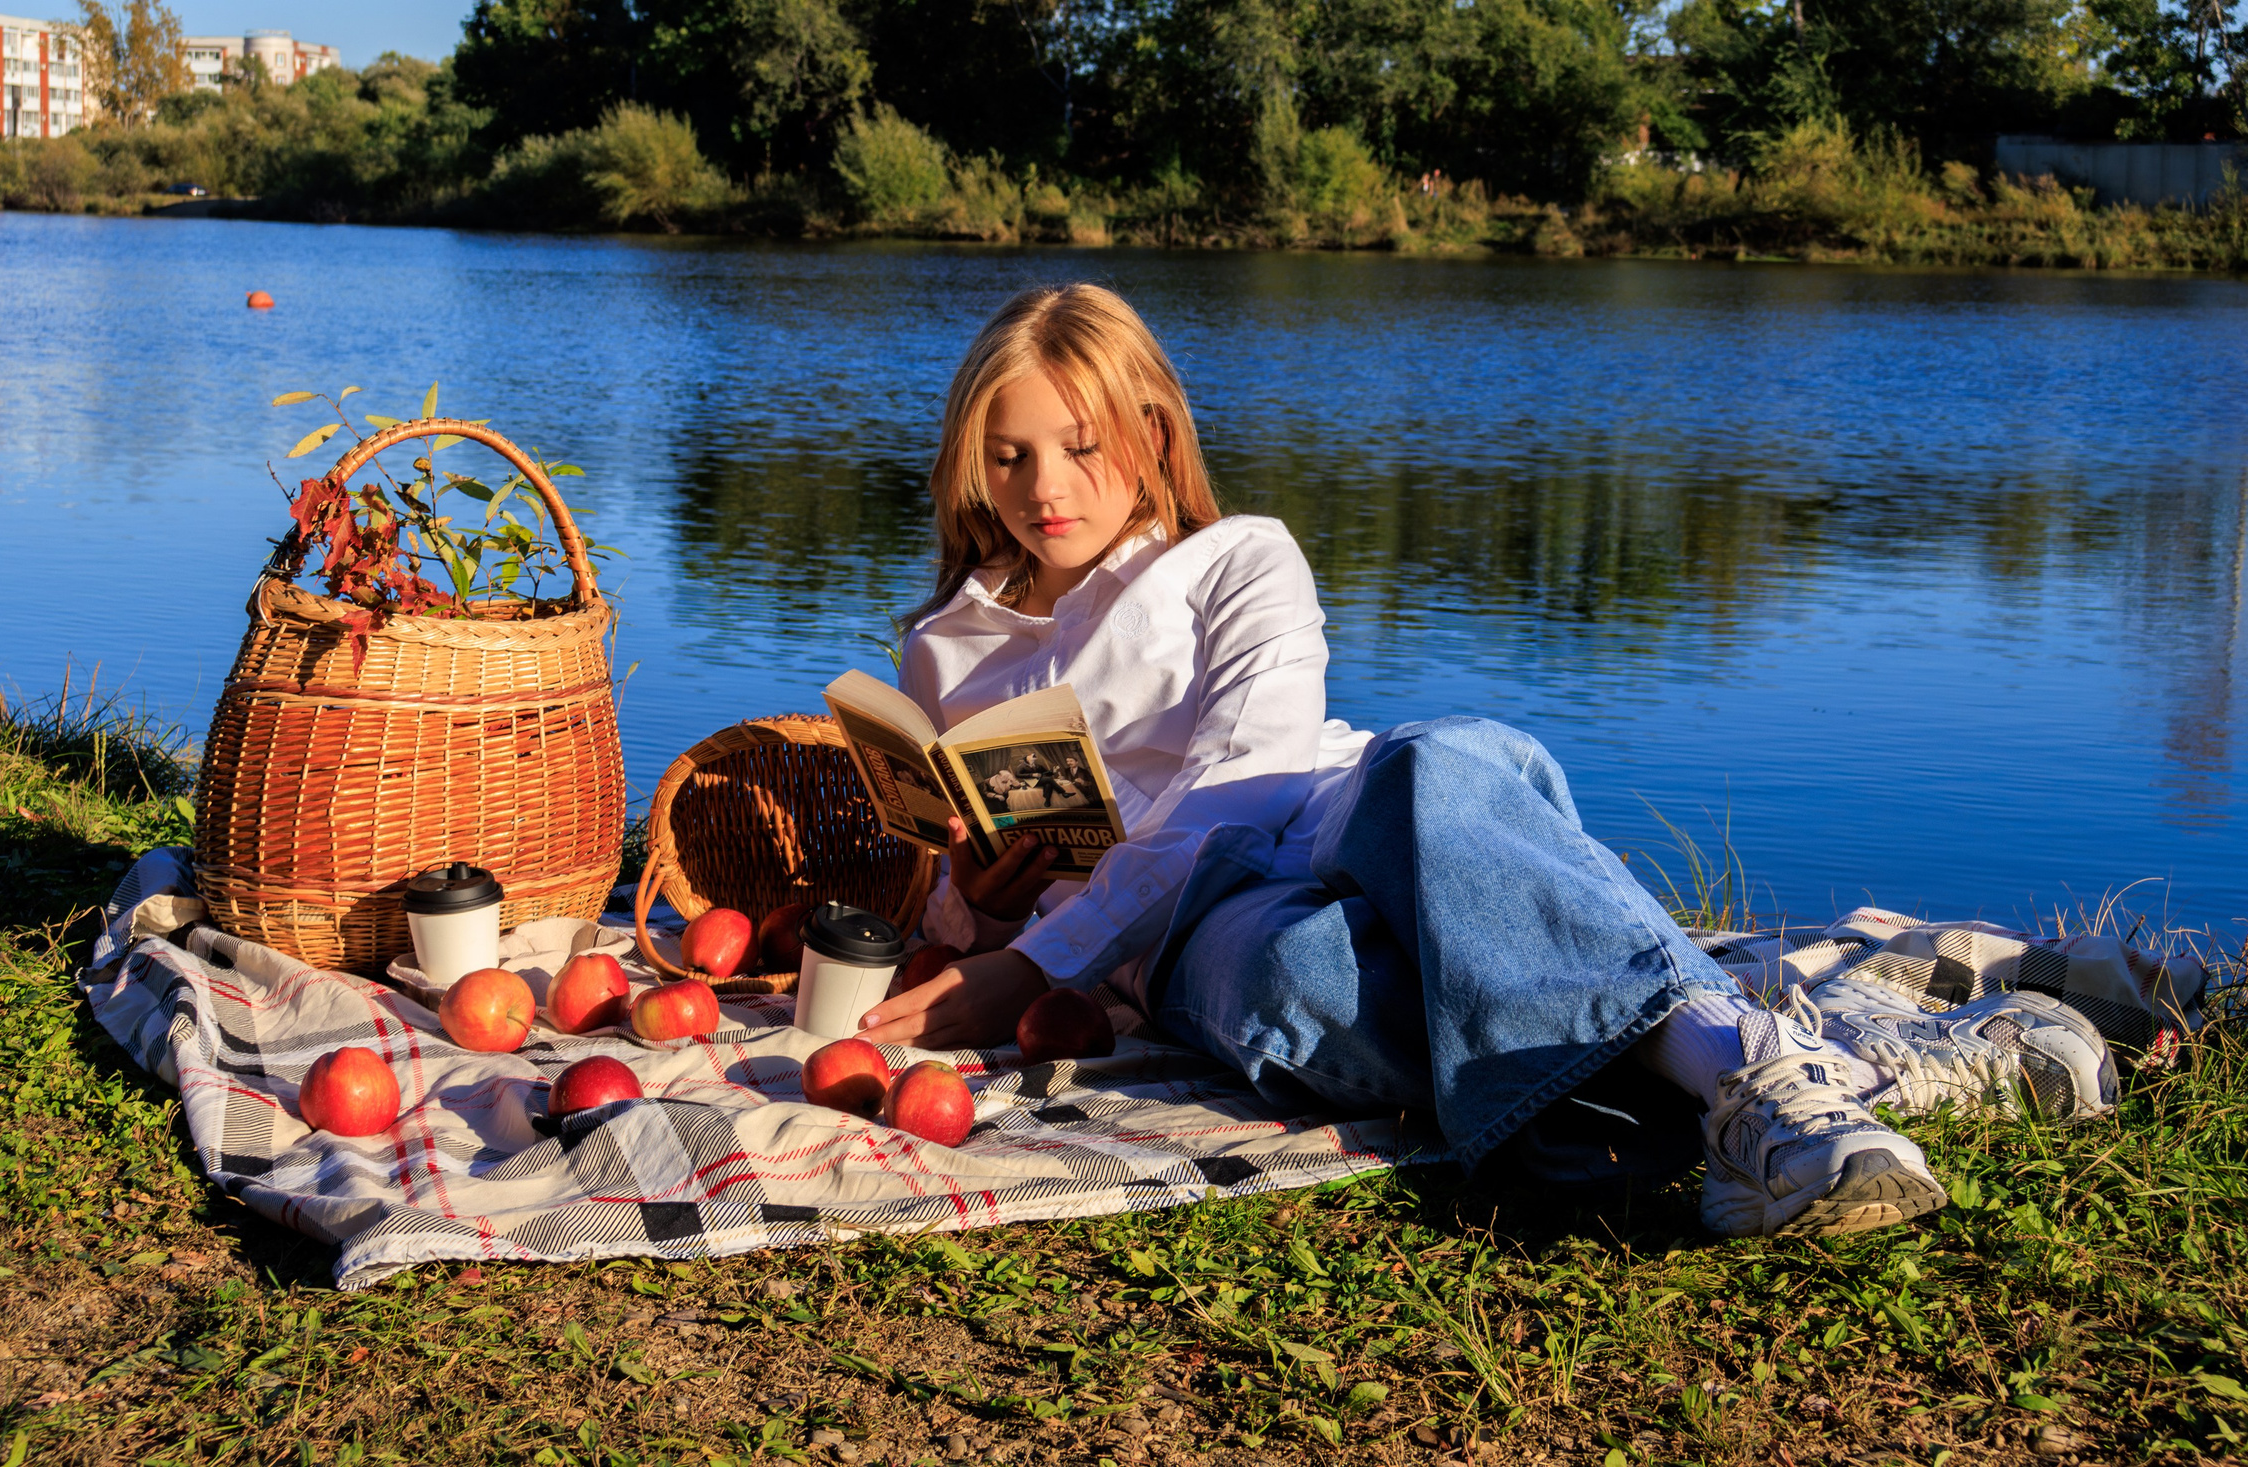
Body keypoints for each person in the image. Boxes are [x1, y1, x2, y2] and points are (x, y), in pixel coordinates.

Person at [857, 284, 2109, 1238]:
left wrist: (1033, 953)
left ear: (1148, 426)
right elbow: (956, 915)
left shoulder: (1241, 560)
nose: (1044, 487)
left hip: (1327, 812)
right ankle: (1799, 1084)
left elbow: (1243, 786)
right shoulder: (948, 647)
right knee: (1302, 977)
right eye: (1009, 454)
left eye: (1076, 444)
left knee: (1445, 763)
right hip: (1174, 942)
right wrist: (990, 907)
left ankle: (1752, 1076)